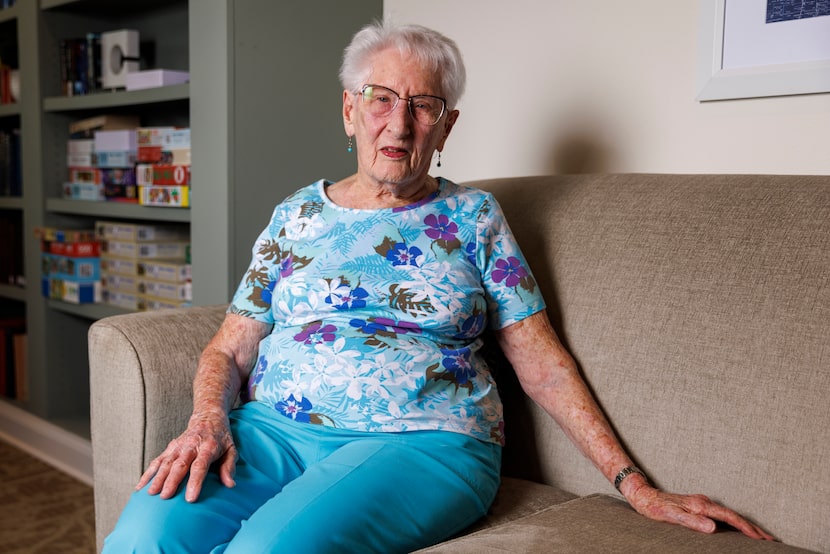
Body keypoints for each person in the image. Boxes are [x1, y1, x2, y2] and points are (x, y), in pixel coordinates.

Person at [104, 21, 774, 553]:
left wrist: (636, 487)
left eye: (424, 106)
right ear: (349, 111)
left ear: (447, 125)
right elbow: (229, 350)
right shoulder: (295, 217)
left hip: (422, 441)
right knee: (145, 536)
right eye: (381, 100)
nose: (399, 124)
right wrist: (206, 421)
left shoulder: (473, 218)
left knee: (269, 549)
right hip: (275, 432)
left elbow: (541, 364)